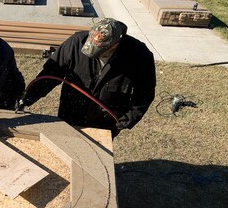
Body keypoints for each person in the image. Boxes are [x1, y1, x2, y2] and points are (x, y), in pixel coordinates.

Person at [19, 18, 156, 137]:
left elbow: (145, 92)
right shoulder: (76, 43)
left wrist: (129, 118)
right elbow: (50, 74)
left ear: (115, 45)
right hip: (71, 113)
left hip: (105, 121)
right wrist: (27, 99)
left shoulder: (139, 56)